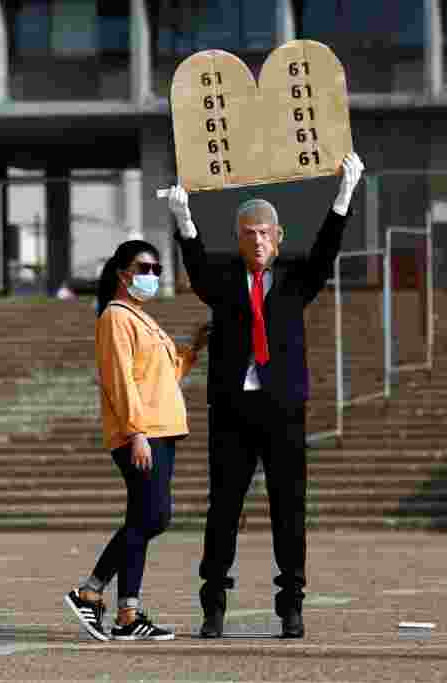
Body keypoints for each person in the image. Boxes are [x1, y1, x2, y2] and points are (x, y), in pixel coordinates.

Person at [164, 152, 364, 639]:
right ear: (238, 239)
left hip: (283, 411)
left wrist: (344, 194)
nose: (257, 240)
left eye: (265, 233)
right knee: (223, 509)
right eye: (249, 233)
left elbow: (326, 251)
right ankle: (214, 605)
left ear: (279, 239)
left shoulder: (297, 282)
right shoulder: (224, 282)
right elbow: (195, 264)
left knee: (289, 508)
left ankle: (291, 604)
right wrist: (183, 217)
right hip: (233, 411)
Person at [63, 240, 210, 642]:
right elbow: (119, 379)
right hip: (143, 433)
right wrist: (136, 432)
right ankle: (89, 591)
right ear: (121, 273)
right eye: (144, 267)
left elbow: (162, 376)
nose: (152, 276)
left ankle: (128, 614)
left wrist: (194, 348)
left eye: (157, 269)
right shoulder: (116, 317)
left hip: (160, 430)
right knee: (153, 517)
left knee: (143, 519)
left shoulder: (142, 318)